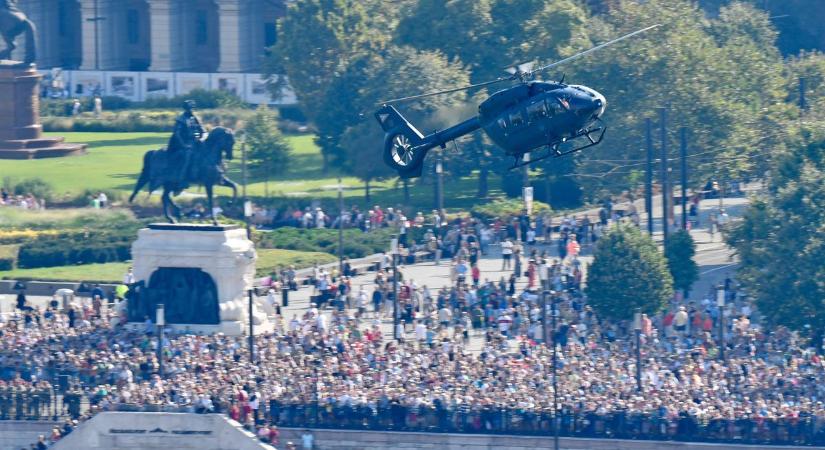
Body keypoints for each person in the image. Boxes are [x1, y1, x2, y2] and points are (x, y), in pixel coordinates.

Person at [167, 100, 204, 184]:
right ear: (186, 109)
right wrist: (184, 145)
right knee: (188, 155)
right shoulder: (181, 119)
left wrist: (201, 139)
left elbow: (203, 131)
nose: (191, 110)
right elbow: (177, 134)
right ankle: (181, 179)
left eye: (192, 108)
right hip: (181, 144)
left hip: (195, 142)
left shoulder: (195, 118)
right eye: (189, 108)